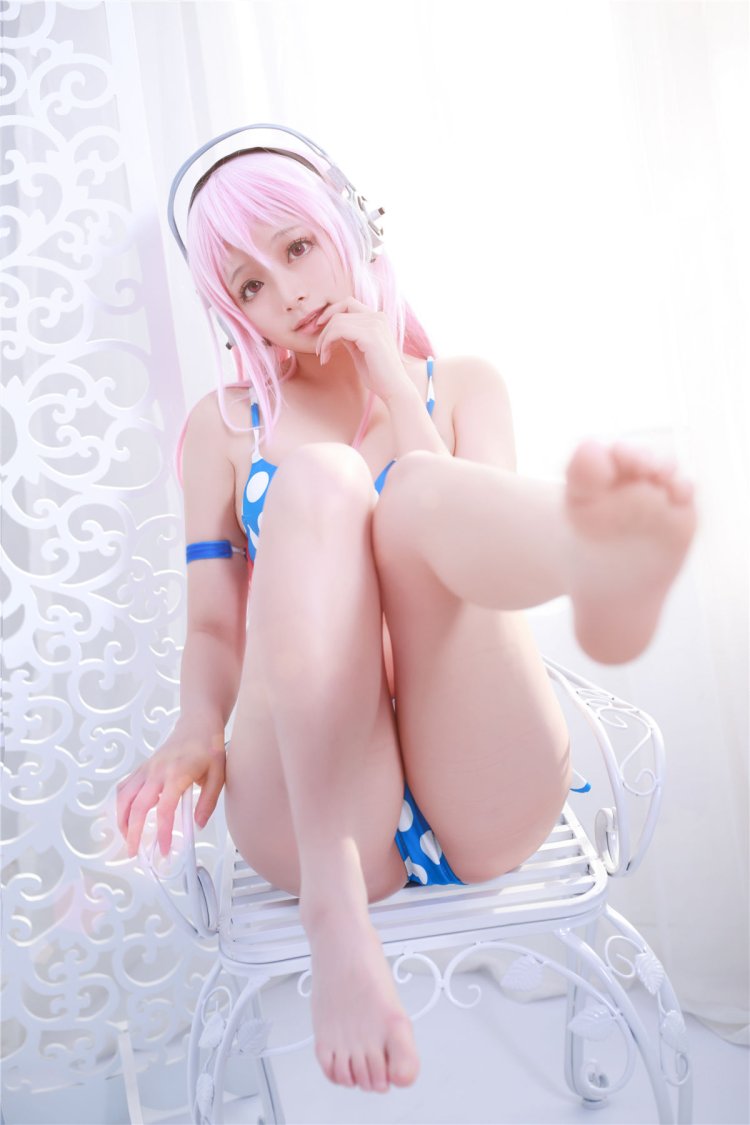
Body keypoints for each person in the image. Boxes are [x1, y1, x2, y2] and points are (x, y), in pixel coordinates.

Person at [116, 131, 696, 1095]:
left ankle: (592, 552)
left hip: (483, 773)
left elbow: (475, 572)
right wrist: (192, 727)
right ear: (231, 310)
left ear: (350, 229)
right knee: (322, 480)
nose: (287, 293)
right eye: (251, 284)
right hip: (313, 807)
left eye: (297, 247)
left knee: (426, 491)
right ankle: (335, 907)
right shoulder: (224, 430)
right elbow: (216, 624)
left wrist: (392, 373)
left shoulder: (464, 385)